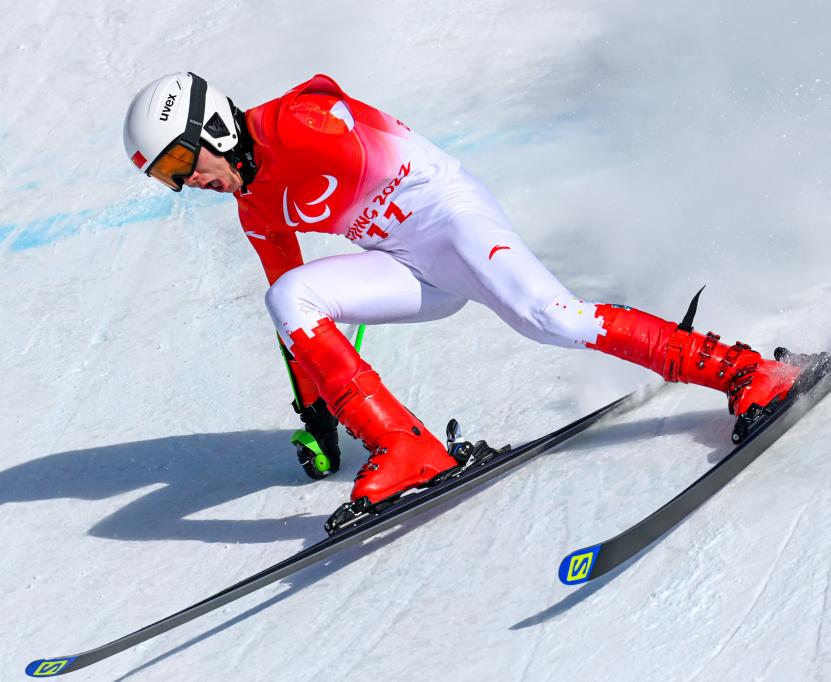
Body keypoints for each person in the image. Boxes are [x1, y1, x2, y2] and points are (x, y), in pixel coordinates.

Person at [122, 71, 802, 509]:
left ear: (213, 126)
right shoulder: (255, 208)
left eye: (181, 160)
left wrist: (316, 121)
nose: (186, 183)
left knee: (551, 320)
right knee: (287, 298)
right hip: (409, 265)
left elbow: (332, 109)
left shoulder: (294, 120)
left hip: (450, 217)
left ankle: (747, 372)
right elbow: (295, 324)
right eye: (167, 178)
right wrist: (317, 413)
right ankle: (405, 447)